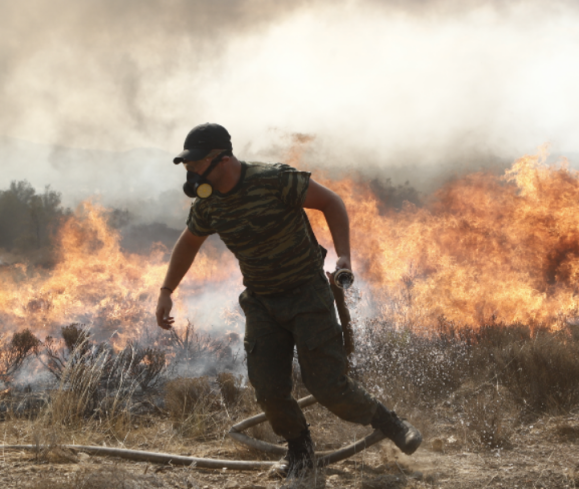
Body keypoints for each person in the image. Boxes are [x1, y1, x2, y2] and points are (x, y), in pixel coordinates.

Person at [155, 123, 421, 480]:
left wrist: (344, 257)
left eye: (195, 163)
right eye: (187, 165)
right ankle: (300, 451)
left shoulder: (274, 179)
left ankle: (390, 422)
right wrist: (166, 291)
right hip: (262, 302)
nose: (190, 172)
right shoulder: (209, 204)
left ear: (221, 159)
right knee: (267, 389)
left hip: (306, 294)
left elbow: (331, 202)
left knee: (328, 386)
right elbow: (189, 243)